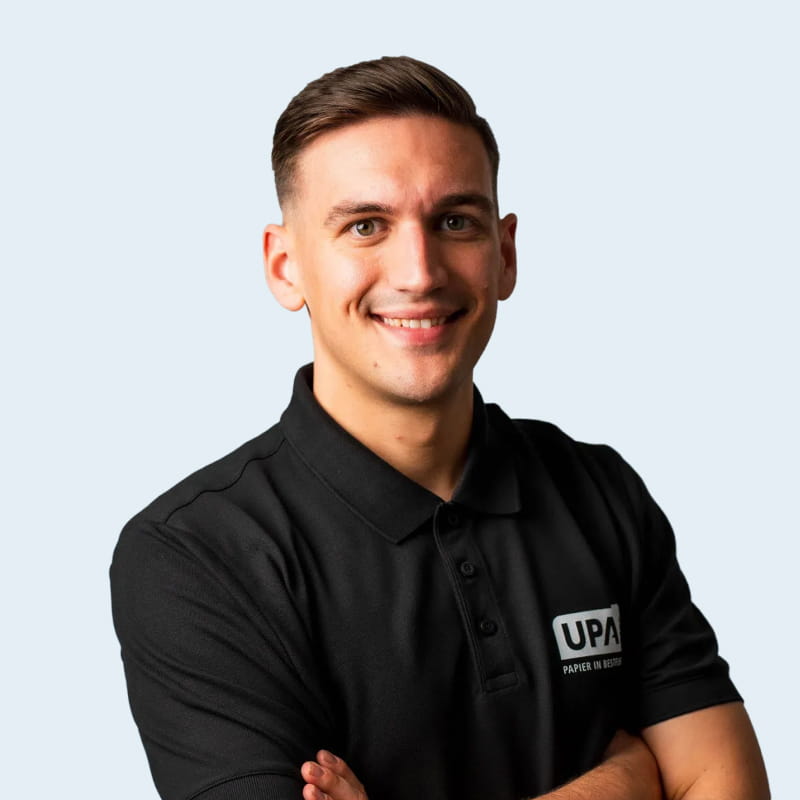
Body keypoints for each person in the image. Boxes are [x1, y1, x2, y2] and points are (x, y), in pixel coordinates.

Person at [110, 56, 770, 800]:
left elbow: (725, 782)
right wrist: (629, 780)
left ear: (505, 253)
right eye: (366, 226)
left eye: (455, 222)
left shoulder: (598, 492)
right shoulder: (195, 555)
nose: (419, 273)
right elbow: (684, 777)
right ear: (286, 266)